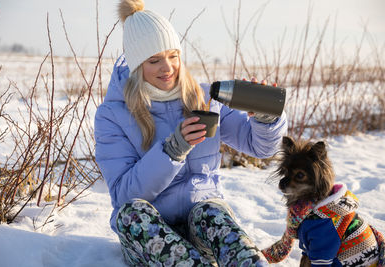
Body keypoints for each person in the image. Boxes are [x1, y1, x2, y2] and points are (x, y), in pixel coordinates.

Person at [94, 0, 287, 266]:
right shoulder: (112, 115)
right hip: (150, 236)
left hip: (204, 222)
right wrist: (172, 150)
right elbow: (124, 196)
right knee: (130, 213)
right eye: (154, 60)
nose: (168, 67)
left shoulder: (204, 96)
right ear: (137, 65)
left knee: (210, 212)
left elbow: (261, 147)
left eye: (173, 56)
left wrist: (266, 120)